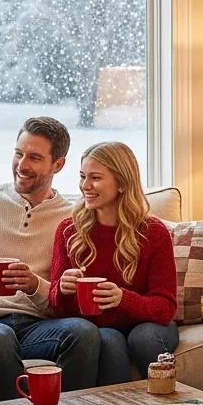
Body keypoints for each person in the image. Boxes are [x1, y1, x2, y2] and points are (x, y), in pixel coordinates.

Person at [0, 117, 100, 399]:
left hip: (36, 324)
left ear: (58, 165)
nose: (22, 165)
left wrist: (35, 285)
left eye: (34, 157)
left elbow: (66, 298)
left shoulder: (72, 218)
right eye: (18, 154)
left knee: (83, 333)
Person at [48, 142, 177, 384]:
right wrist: (62, 290)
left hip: (146, 324)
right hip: (98, 328)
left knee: (143, 337)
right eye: (83, 176)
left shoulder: (154, 232)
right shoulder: (68, 230)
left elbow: (166, 306)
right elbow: (56, 307)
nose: (85, 186)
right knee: (108, 339)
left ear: (121, 183)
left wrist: (123, 299)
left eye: (95, 178)